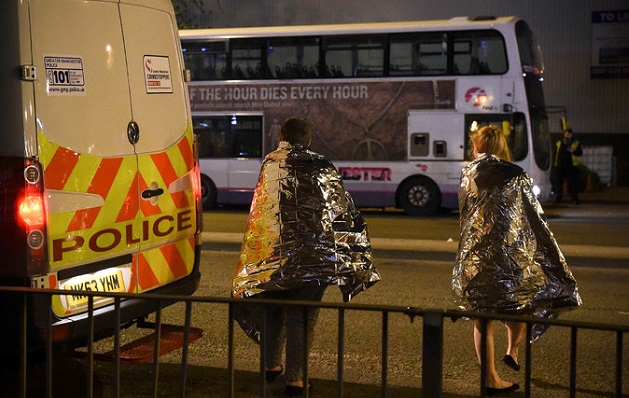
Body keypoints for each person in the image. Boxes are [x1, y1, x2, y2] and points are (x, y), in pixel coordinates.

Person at [232, 117, 380, 396]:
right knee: (301, 317)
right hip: (314, 258)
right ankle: (296, 380)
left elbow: (262, 212)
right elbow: (338, 207)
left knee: (273, 310)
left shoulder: (270, 163)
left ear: (281, 135)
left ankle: (271, 365)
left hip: (273, 256)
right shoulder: (321, 165)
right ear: (308, 139)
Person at [452, 126, 582, 396]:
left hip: (475, 258)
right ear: (502, 147)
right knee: (522, 306)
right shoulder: (515, 175)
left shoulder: (468, 173)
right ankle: (512, 350)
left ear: (476, 147)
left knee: (483, 320)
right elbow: (533, 219)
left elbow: (465, 217)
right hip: (510, 258)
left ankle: (489, 378)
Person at [553, 127, 583, 204]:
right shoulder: (559, 142)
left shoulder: (575, 143)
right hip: (560, 165)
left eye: (569, 134)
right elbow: (555, 153)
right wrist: (554, 164)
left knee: (572, 183)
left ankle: (575, 199)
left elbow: (580, 153)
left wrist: (573, 151)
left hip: (571, 166)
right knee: (558, 183)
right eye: (566, 134)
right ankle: (558, 198)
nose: (567, 136)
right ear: (564, 134)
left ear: (572, 135)